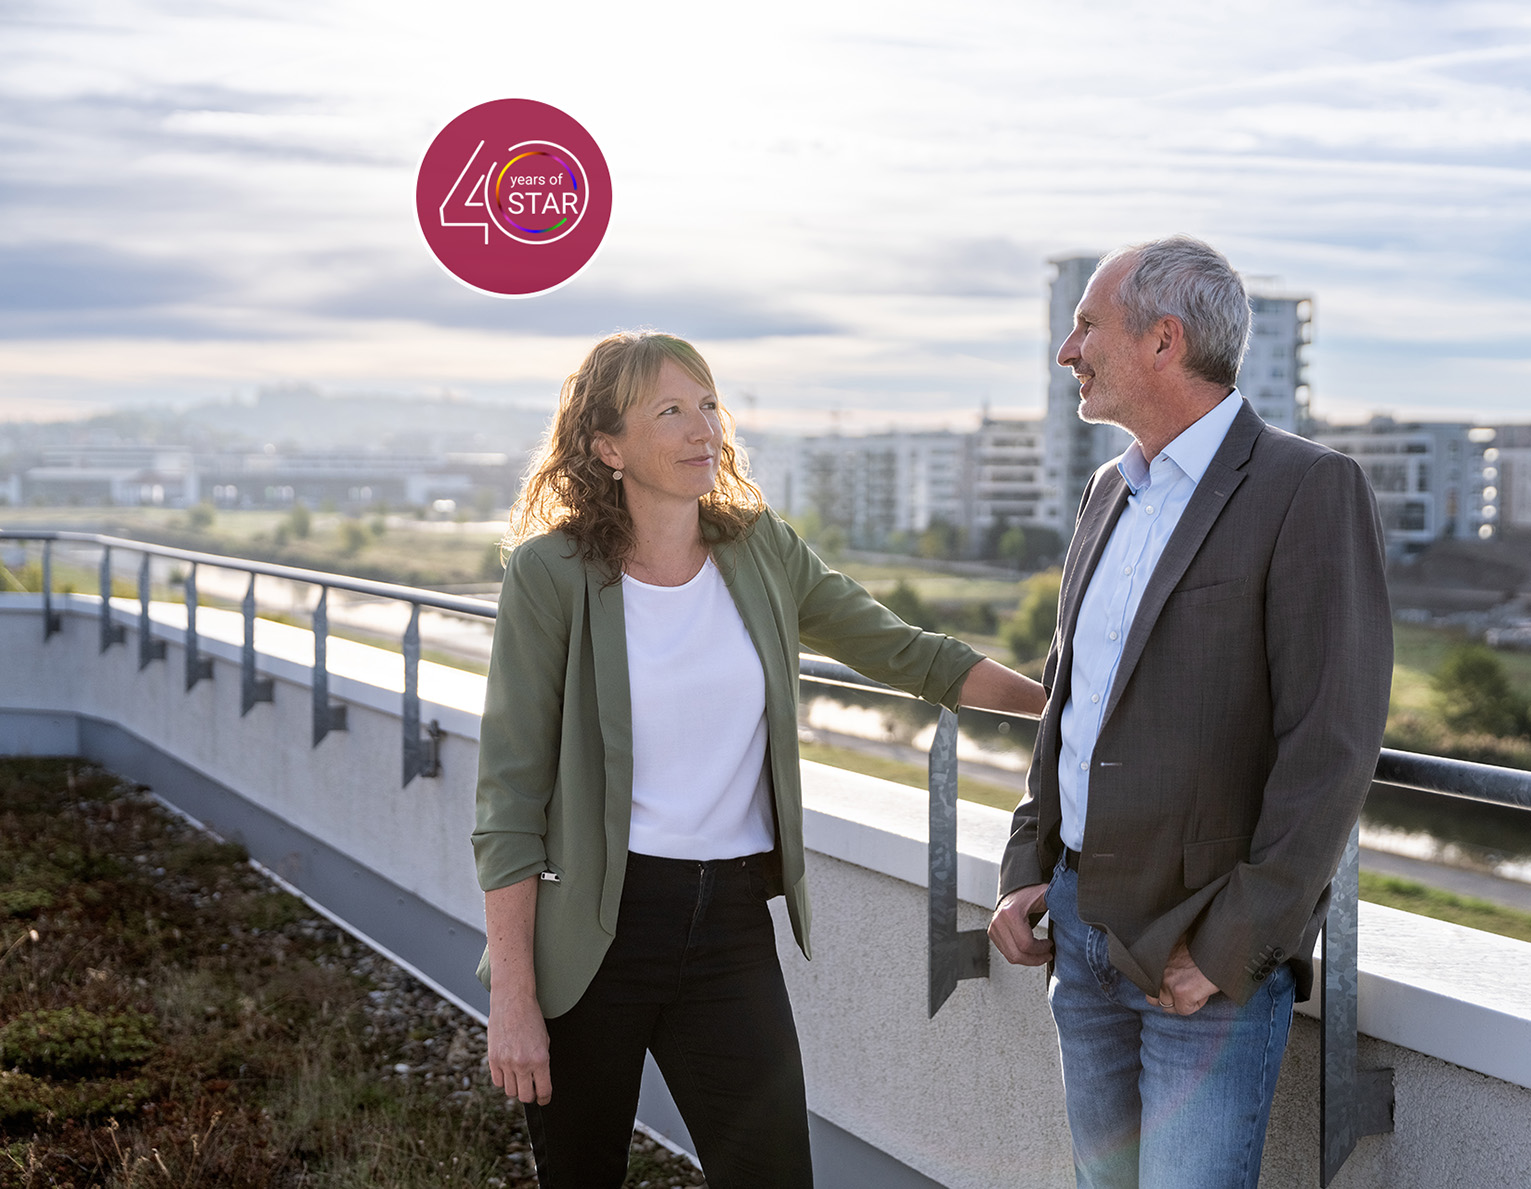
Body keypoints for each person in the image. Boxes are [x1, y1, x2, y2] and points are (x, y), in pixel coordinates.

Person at [472, 330, 1044, 1188]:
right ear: (606, 445)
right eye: (670, 410)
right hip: (593, 929)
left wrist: (1059, 705)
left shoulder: (760, 549)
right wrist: (511, 1000)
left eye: (707, 404)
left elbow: (903, 652)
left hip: (728, 924)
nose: (703, 427)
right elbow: (509, 796)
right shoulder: (551, 574)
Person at [987, 236, 1393, 1188]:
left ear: (1163, 339)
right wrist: (1025, 866)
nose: (1066, 350)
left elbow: (1329, 745)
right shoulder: (1106, 490)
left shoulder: (1307, 488)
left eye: (1085, 326)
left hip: (1196, 959)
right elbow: (1071, 703)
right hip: (1075, 932)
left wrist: (1232, 946)